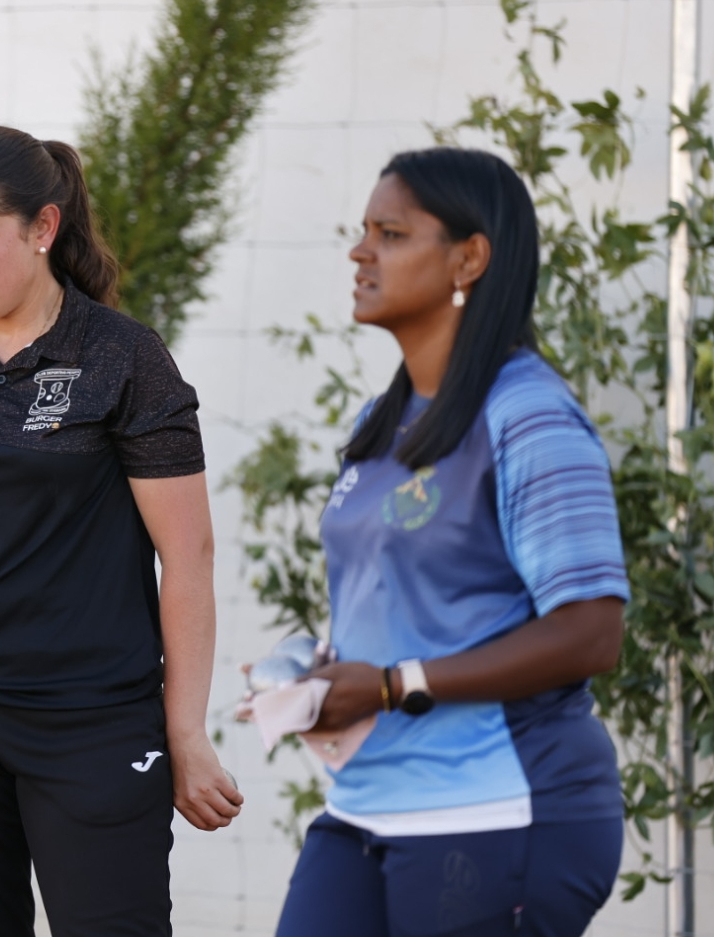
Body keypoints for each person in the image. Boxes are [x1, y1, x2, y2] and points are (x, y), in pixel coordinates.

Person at [0, 125, 244, 937]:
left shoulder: (125, 358)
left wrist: (185, 731)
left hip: (91, 721)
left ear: (43, 227)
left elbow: (188, 557)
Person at [276, 147, 630, 937]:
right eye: (364, 231)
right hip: (366, 804)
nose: (360, 252)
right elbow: (408, 604)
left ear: (469, 258)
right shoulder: (383, 420)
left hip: (499, 807)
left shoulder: (529, 415)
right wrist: (322, 679)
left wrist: (393, 683)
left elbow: (592, 632)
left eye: (391, 234)